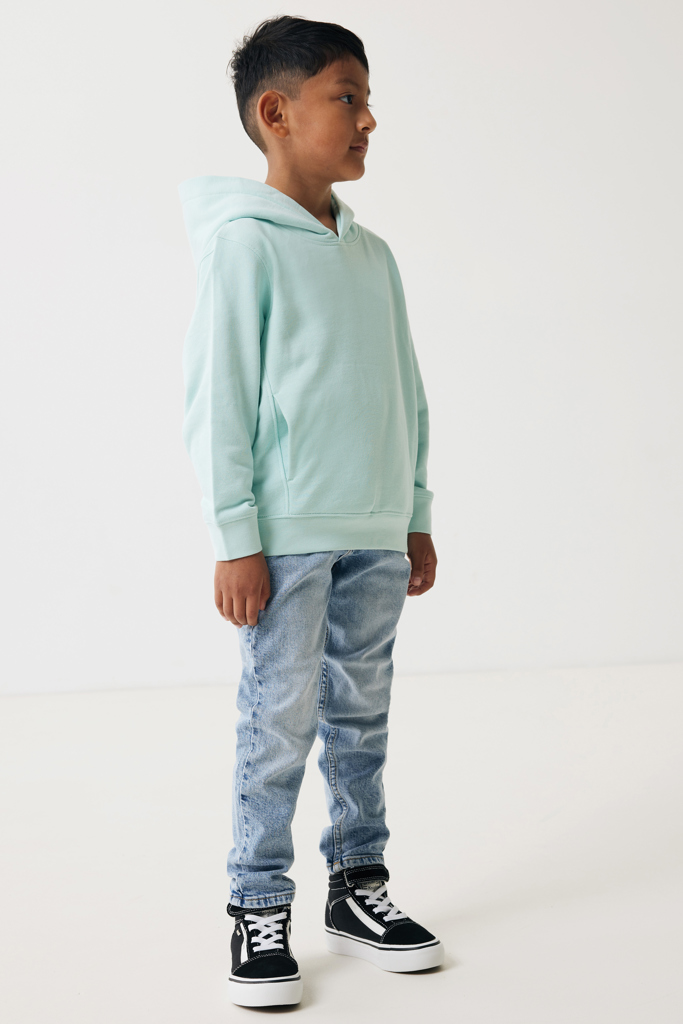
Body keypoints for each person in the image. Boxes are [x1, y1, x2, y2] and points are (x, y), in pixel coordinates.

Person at [178, 14, 443, 1008]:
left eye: (368, 101)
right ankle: (256, 904)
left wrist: (412, 511)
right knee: (277, 721)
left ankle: (357, 885)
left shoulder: (374, 255)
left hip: (373, 533)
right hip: (287, 540)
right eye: (347, 98)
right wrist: (234, 536)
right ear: (275, 112)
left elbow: (406, 391)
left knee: (361, 715)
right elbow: (217, 400)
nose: (368, 119)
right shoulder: (243, 246)